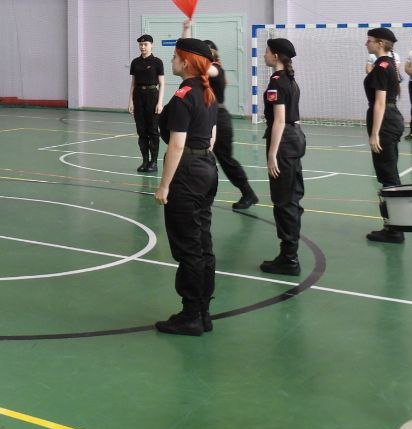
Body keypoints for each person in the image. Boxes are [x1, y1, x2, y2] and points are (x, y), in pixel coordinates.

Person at [152, 37, 219, 336]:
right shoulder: (207, 92)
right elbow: (212, 135)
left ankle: (191, 315)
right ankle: (203, 311)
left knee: (188, 248)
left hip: (187, 172)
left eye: (176, 57)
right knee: (203, 243)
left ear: (186, 62)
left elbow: (176, 145)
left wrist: (164, 186)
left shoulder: (183, 96)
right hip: (206, 167)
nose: (172, 61)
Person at [180, 23, 258, 210]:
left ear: (213, 53)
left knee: (224, 159)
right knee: (200, 156)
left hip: (219, 118)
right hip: (206, 117)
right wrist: (186, 30)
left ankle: (248, 193)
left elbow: (201, 65)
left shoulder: (216, 69)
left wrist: (192, 51)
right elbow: (188, 54)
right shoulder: (201, 72)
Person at [260, 37, 306, 275]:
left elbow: (278, 120)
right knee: (291, 197)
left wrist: (272, 154)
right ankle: (289, 252)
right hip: (295, 137)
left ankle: (289, 259)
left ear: (276, 56)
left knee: (284, 200)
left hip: (284, 141)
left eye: (267, 52)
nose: (264, 55)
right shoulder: (290, 79)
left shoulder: (277, 82)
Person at [365, 26, 407, 244]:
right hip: (389, 119)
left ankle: (395, 229)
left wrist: (375, 134)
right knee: (388, 175)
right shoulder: (387, 64)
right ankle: (393, 225)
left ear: (380, 43)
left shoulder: (382, 66)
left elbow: (380, 102)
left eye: (370, 40)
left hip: (385, 122)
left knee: (388, 176)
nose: (367, 44)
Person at [127, 34, 165, 173]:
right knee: (141, 131)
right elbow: (133, 83)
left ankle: (154, 162)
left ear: (151, 45)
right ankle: (145, 161)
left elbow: (162, 83)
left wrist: (160, 103)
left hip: (152, 96)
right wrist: (130, 101)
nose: (143, 47)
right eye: (141, 45)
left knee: (153, 131)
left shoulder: (157, 62)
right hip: (138, 96)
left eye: (146, 44)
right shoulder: (135, 62)